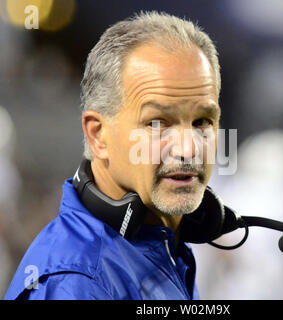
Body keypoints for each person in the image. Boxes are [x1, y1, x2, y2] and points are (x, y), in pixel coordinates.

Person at [4, 11, 221, 300]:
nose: (188, 148)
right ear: (98, 135)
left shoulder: (159, 240)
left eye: (202, 122)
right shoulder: (78, 284)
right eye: (157, 124)